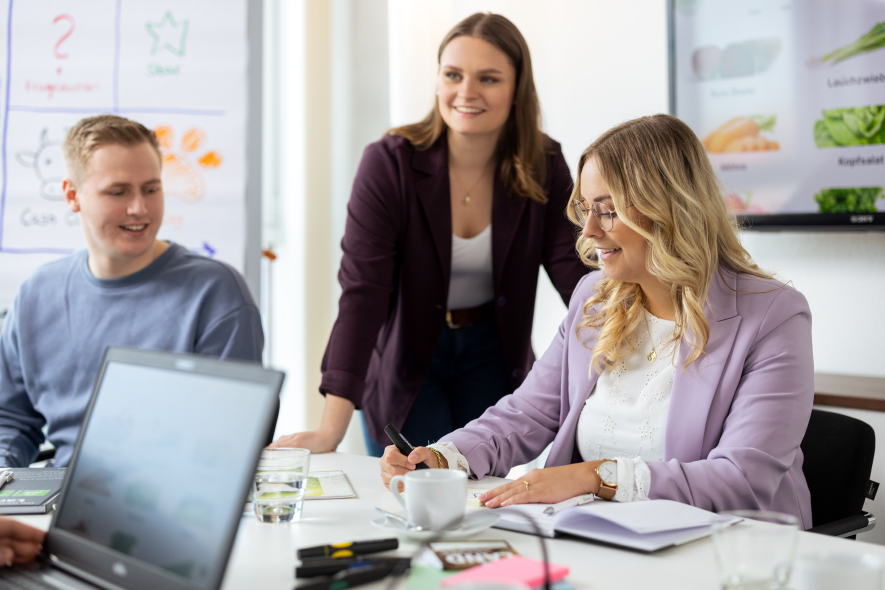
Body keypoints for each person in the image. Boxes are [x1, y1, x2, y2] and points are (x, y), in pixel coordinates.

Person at [380, 114, 814, 528]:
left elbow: (741, 480)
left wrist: (595, 477)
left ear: (669, 209)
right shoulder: (594, 298)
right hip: (600, 539)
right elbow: (527, 413)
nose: (588, 230)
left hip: (730, 555)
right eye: (585, 208)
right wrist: (443, 457)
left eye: (607, 210)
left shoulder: (773, 316)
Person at [273, 13, 587, 456]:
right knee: (417, 493)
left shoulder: (543, 163)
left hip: (493, 354)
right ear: (438, 80)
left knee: (480, 498)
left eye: (489, 78)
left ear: (518, 89)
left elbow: (580, 278)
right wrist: (330, 429)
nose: (466, 92)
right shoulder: (390, 164)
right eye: (453, 75)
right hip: (408, 358)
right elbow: (363, 295)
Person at [0, 115, 264, 468]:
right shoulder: (36, 295)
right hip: (58, 502)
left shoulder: (216, 294)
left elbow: (231, 438)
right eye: (118, 191)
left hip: (166, 504)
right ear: (72, 195)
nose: (139, 208)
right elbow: (12, 422)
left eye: (151, 189)